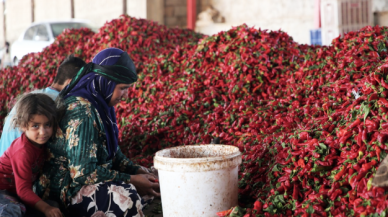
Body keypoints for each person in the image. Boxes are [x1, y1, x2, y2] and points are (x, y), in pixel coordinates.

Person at [34, 48, 160, 216]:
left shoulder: (102, 105)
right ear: (105, 82)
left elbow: (113, 154)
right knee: (126, 197)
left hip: (87, 179)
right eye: (122, 88)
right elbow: (83, 173)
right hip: (66, 188)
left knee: (153, 187)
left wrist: (138, 171)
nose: (126, 95)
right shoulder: (82, 111)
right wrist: (131, 180)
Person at [0, 55, 86, 156]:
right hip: (18, 165)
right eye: (84, 84)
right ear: (70, 82)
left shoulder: (36, 96)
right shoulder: (58, 103)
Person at [0, 93, 62, 217]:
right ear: (23, 126)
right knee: (11, 210)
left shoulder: (43, 144)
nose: (42, 132)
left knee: (53, 205)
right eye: (35, 126)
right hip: (3, 191)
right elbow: (23, 190)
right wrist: (46, 208)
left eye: (47, 125)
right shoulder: (22, 151)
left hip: (16, 193)